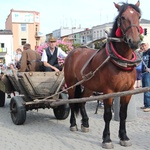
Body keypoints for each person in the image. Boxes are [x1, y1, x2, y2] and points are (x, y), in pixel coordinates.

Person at [140, 41, 150, 112]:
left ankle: (148, 106)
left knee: (147, 89)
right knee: (144, 89)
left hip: (148, 72)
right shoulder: (143, 53)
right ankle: (146, 104)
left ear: (147, 45)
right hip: (143, 72)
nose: (143, 47)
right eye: (142, 46)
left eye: (144, 45)